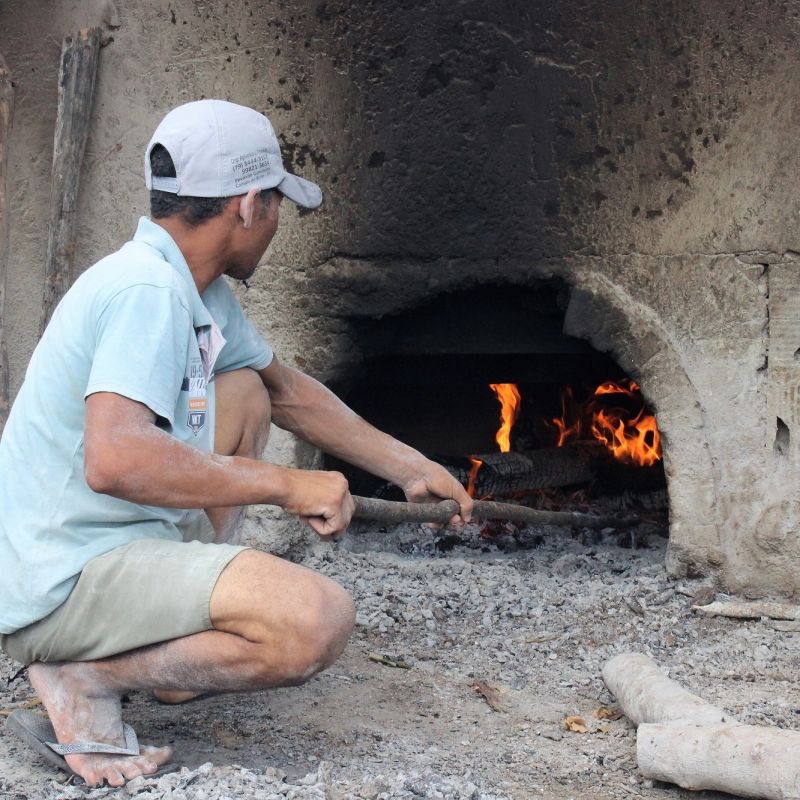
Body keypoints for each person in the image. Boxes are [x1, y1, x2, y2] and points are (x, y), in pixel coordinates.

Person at [0, 99, 472, 788]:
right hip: (64, 579)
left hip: (111, 545)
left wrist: (411, 467)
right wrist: (287, 485)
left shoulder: (196, 289)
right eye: (278, 204)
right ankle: (85, 677)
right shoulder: (145, 290)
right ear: (249, 206)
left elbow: (285, 392)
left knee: (245, 387)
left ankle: (167, 653)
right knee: (316, 619)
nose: (278, 222)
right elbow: (116, 459)